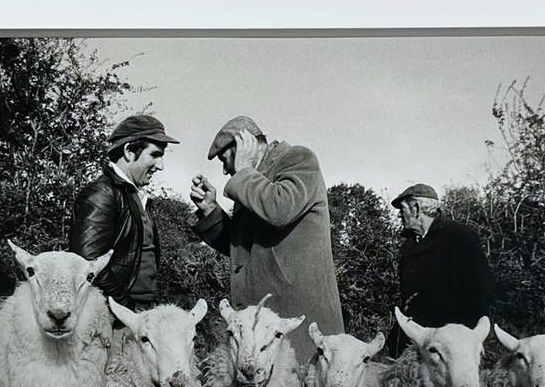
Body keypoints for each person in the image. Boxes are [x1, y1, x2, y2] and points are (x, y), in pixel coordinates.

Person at [189, 114, 342, 362]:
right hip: (263, 331)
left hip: (299, 324)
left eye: (224, 158)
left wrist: (245, 170)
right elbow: (243, 249)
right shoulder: (254, 181)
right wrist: (210, 211)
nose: (226, 169)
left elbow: (280, 209)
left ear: (242, 145)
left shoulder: (299, 159)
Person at [69, 113, 179, 307]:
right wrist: (126, 309)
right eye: (155, 154)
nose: (161, 166)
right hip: (113, 318)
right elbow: (88, 263)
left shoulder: (134, 196)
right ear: (129, 151)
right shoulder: (102, 194)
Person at [387, 183, 496, 355]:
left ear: (416, 208)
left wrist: (467, 339)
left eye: (402, 208)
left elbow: (481, 291)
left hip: (451, 346)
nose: (399, 214)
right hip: (416, 343)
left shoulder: (460, 237)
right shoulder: (409, 246)